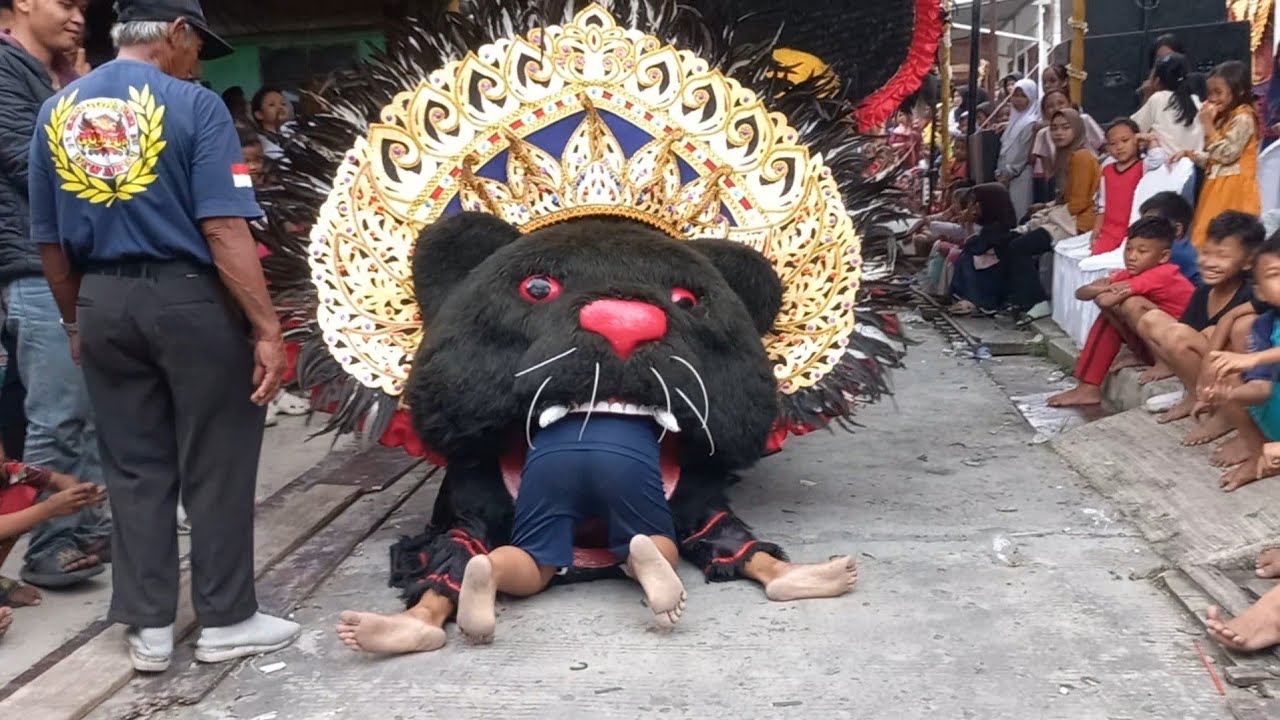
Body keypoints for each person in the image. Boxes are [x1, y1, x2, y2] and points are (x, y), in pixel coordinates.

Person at [28, 1, 299, 671]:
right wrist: (266, 328)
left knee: (133, 466)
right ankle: (226, 618)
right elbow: (225, 228)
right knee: (217, 457)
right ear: (176, 32)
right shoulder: (195, 106)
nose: (195, 62)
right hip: (188, 297)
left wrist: (74, 321)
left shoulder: (55, 111)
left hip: (100, 298)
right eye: (195, 47)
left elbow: (51, 244)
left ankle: (148, 628)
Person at [0, 0, 112, 590]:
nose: (78, 16)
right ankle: (50, 545)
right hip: (33, 266)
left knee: (88, 410)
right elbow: (29, 162)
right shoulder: (3, 69)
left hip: (72, 263)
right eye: (66, 2)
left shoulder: (57, 74)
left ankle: (85, 523)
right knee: (58, 413)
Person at [454, 412, 688, 643]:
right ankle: (644, 558)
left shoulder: (550, 380)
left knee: (534, 560)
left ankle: (493, 569)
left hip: (551, 454)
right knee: (657, 538)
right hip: (626, 451)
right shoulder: (649, 381)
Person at [1135, 211, 1264, 431]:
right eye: (1206, 253)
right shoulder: (1204, 292)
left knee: (1198, 333)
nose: (1210, 263)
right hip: (1209, 369)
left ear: (1247, 262)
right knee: (1151, 320)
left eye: (1222, 256)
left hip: (1241, 374)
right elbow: (1185, 333)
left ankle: (1227, 412)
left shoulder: (1252, 292)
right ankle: (1195, 395)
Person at [1048, 217, 1194, 407]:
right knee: (1113, 308)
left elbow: (1105, 298)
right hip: (1156, 341)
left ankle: (1164, 364)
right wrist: (1104, 290)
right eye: (1128, 248)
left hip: (1179, 350)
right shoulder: (1131, 273)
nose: (1132, 256)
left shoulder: (1163, 273)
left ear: (1163, 256)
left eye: (1142, 251)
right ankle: (1089, 386)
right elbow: (1081, 293)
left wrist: (1103, 289)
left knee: (1132, 304)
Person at [1005, 108, 1101, 320]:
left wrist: (1048, 215)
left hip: (1078, 223)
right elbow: (1066, 199)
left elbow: (1079, 203)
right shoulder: (1066, 156)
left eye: (1066, 128)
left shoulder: (1082, 156)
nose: (1059, 133)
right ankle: (1020, 299)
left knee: (1018, 247)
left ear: (1076, 129)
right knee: (1013, 237)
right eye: (1054, 128)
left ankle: (1037, 301)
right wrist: (1046, 208)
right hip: (1067, 217)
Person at [1, 460, 105, 612]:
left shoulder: (15, 472)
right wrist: (48, 509)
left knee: (19, 489)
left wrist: (78, 493)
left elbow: (56, 480)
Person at [1181, 61, 1262, 249]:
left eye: (1218, 92)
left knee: (1228, 243)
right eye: (1210, 93)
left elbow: (1227, 154)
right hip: (1217, 188)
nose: (1212, 98)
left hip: (1234, 191)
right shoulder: (1226, 117)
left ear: (1239, 91)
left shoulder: (1244, 117)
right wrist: (1189, 154)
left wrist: (1208, 126)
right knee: (1206, 239)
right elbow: (1214, 161)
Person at [947, 183, 1018, 315]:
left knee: (966, 258)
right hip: (990, 262)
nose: (974, 207)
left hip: (995, 270)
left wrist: (968, 224)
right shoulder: (992, 223)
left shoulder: (997, 227)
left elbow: (974, 246)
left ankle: (975, 299)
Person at [1133, 53, 1203, 163]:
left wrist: (1146, 95)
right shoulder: (1196, 101)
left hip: (1168, 168)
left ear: (1156, 80)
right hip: (1194, 167)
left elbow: (1132, 128)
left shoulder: (1158, 99)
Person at [1090, 119, 1145, 256]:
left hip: (1135, 228)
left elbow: (1157, 158)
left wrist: (1149, 138)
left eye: (1125, 140)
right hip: (1110, 230)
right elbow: (1101, 204)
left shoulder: (1144, 167)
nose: (1119, 147)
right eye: (1113, 144)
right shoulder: (1107, 170)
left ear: (1136, 140)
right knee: (1098, 257)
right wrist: (1097, 227)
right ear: (1107, 148)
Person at [995, 78, 1039, 218]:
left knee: (1018, 213)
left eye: (1023, 96)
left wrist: (1008, 174)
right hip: (1005, 176)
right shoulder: (1014, 121)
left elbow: (1023, 154)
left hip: (1020, 176)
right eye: (1015, 95)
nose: (1018, 99)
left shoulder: (1030, 122)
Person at [251, 85, 290, 159]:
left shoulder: (292, 133)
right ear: (259, 114)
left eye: (283, 104)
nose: (280, 107)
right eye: (272, 105)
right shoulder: (258, 143)